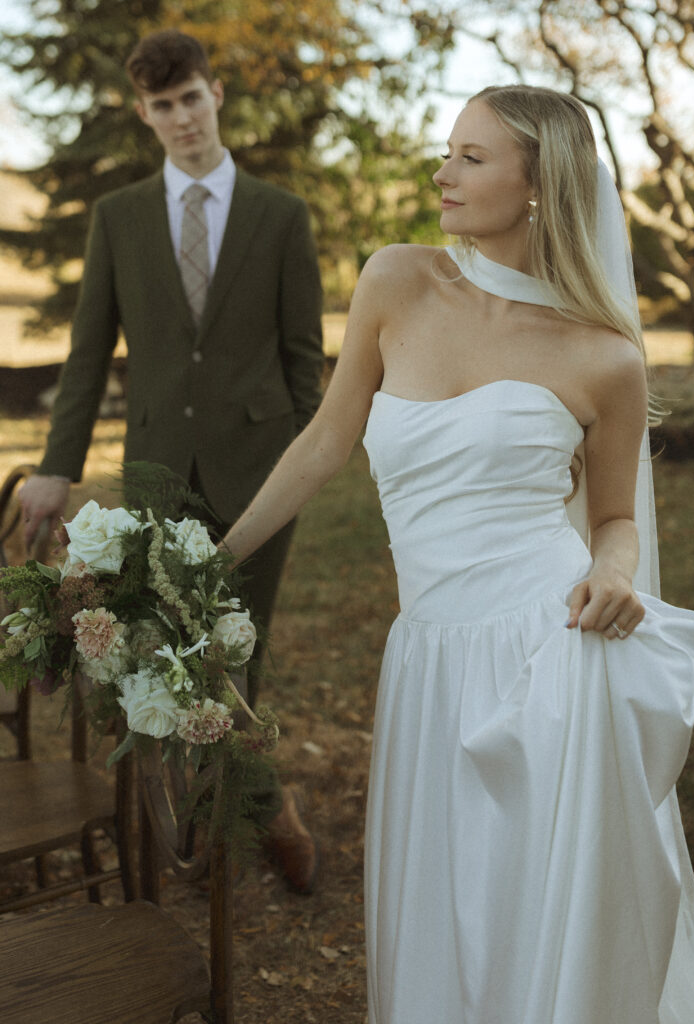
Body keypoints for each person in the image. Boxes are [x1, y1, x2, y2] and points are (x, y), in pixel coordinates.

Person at [221, 84, 694, 1021]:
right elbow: (325, 443)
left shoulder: (603, 355)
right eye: (446, 150)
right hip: (426, 652)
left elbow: (614, 517)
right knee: (442, 898)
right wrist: (219, 557)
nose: (441, 172)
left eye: (470, 156)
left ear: (540, 186)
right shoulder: (395, 280)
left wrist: (612, 572)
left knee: (533, 906)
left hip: (550, 652)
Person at [18, 29, 323, 894]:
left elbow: (305, 358)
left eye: (191, 97)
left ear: (215, 94)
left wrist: (302, 450)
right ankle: (257, 807)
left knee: (236, 651)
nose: (181, 117)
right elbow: (86, 355)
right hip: (159, 469)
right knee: (166, 652)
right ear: (144, 115)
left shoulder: (279, 213)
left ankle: (223, 820)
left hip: (264, 470)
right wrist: (55, 464)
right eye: (162, 106)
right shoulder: (116, 218)